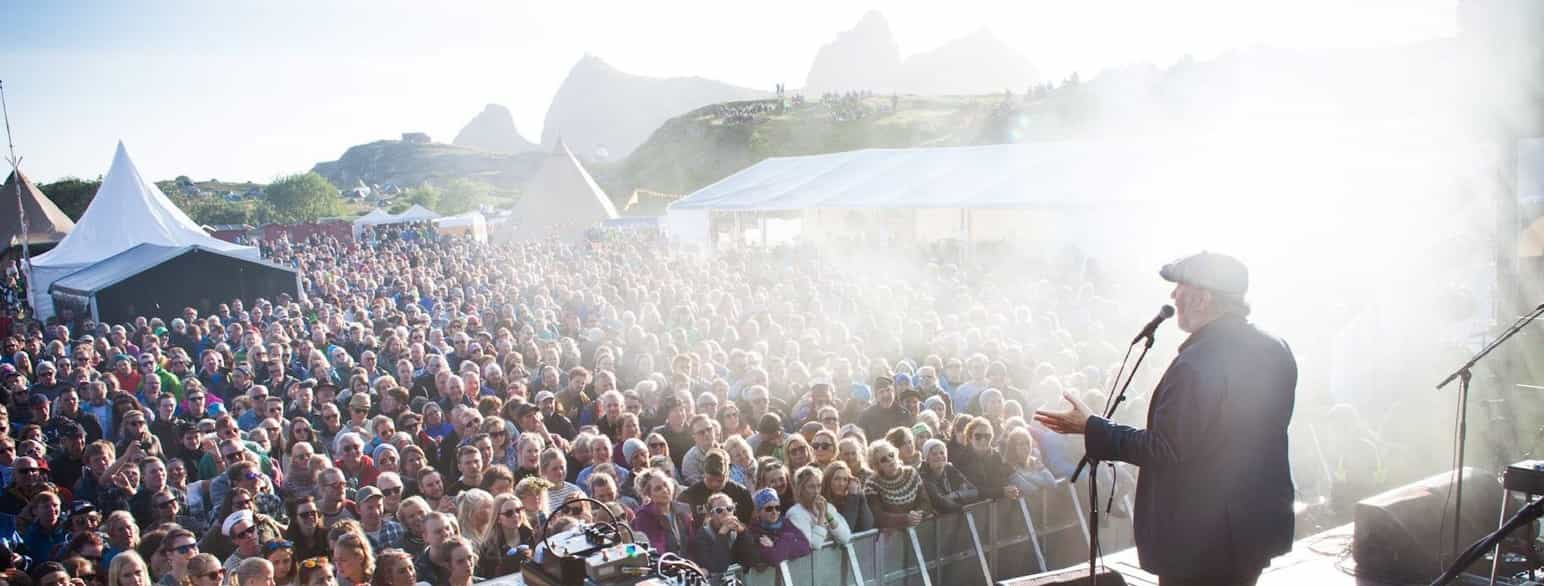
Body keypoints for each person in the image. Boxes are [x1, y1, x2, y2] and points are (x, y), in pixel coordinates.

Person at [1035, 252, 1297, 586]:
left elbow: (1166, 449)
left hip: (1201, 538)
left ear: (1204, 298)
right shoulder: (1276, 348)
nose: (1173, 296)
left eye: (1181, 287)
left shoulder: (1197, 364)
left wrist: (1092, 428)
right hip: (1254, 527)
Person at [863, 440, 932, 529]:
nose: (890, 460)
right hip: (891, 537)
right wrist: (906, 519)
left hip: (918, 528)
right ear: (877, 465)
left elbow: (925, 502)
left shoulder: (911, 473)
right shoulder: (871, 484)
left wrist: (918, 514)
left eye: (891, 455)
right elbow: (878, 516)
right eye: (884, 460)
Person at [785, 465, 851, 548]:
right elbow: (814, 545)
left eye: (819, 486)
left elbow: (845, 538)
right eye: (811, 487)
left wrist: (827, 514)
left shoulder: (827, 507)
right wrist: (821, 517)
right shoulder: (796, 513)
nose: (816, 491)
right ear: (800, 490)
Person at [630, 468, 693, 554]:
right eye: (658, 489)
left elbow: (692, 543)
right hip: (664, 564)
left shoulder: (682, 509)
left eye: (665, 485)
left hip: (687, 563)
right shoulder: (644, 516)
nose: (665, 490)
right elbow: (656, 548)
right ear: (649, 494)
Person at [686, 492, 751, 574]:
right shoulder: (703, 536)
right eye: (719, 510)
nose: (726, 513)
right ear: (711, 514)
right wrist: (722, 535)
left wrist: (743, 533)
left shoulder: (737, 530)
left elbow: (752, 559)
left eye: (729, 508)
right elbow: (718, 567)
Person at [745, 488, 809, 568]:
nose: (774, 512)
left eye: (777, 508)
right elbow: (774, 559)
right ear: (759, 512)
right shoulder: (754, 530)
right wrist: (790, 540)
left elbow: (805, 547)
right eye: (769, 509)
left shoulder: (785, 522)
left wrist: (777, 543)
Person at [919, 439, 978, 513]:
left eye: (942, 453)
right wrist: (963, 506)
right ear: (927, 459)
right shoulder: (923, 476)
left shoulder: (949, 468)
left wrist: (955, 494)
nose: (939, 456)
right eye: (934, 454)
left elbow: (974, 492)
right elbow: (942, 503)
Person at [822, 461, 873, 533]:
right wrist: (852, 498)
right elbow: (847, 529)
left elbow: (867, 527)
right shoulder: (822, 502)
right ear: (828, 480)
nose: (841, 484)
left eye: (845, 479)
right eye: (837, 479)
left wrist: (859, 496)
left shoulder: (851, 498)